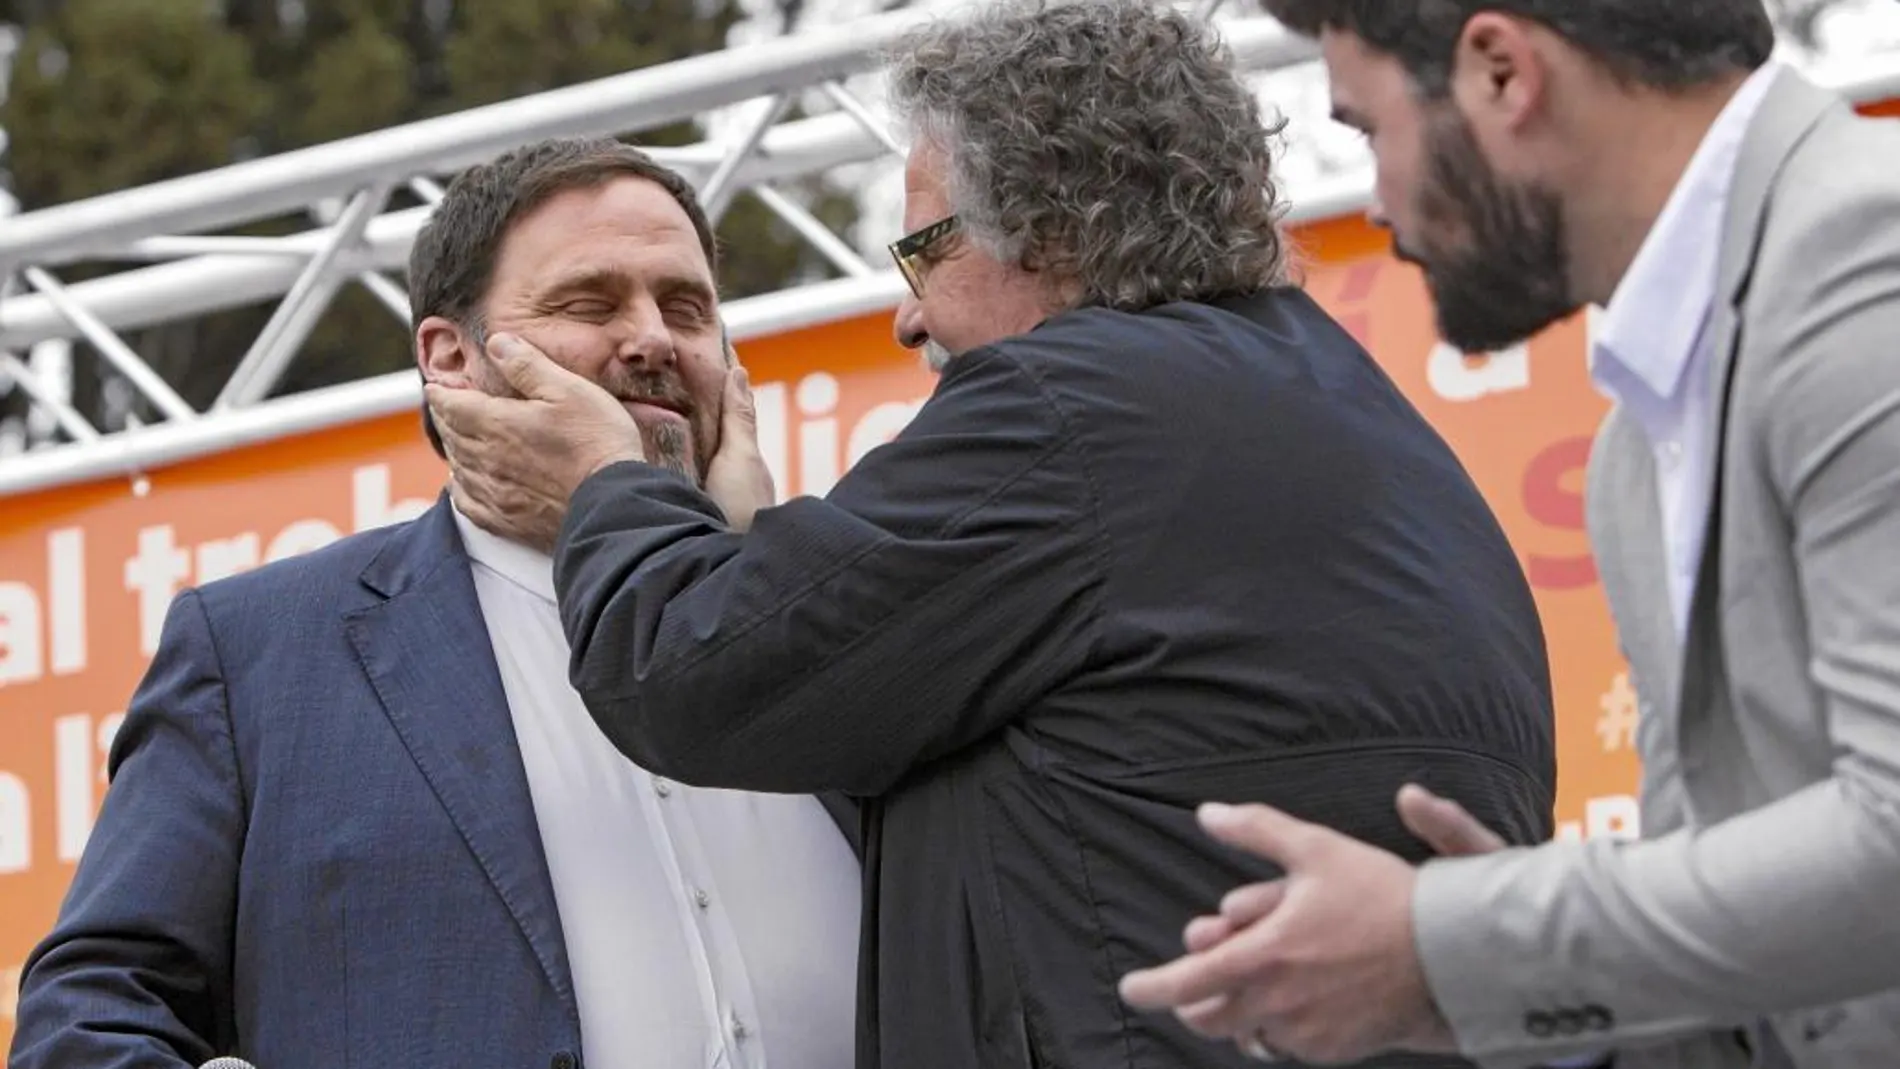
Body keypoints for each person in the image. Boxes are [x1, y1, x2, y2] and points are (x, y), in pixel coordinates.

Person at [426, 2, 1558, 1067]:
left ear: (1050, 234)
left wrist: (605, 488)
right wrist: (748, 543)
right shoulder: (1361, 429)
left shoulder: (1073, 413)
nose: (909, 315)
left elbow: (684, 671)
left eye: (923, 252)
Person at [1117, 1, 1900, 1067]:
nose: (1379, 204)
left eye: (1364, 130)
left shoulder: (1865, 255)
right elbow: (1755, 989)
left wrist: (1454, 939)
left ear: (1499, 70)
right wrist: (1465, 997)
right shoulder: (1637, 449)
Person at [8, 137, 862, 1069]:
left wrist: (767, 573)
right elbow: (88, 1020)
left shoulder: (843, 615)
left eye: (687, 307)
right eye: (590, 302)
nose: (654, 338)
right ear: (450, 357)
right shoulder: (261, 654)